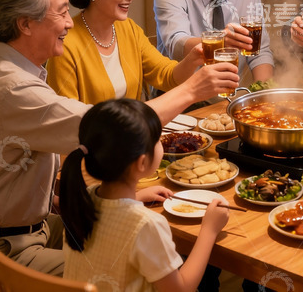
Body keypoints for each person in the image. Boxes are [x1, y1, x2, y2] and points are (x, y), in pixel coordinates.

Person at [0, 0, 237, 292]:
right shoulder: (11, 88)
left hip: (22, 229)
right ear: (25, 24)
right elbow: (110, 130)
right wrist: (193, 90)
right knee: (137, 271)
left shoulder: (0, 65)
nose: (69, 22)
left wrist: (124, 198)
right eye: (62, 12)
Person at [61, 98, 229, 291]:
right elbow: (181, 289)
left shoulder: (84, 197)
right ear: (142, 163)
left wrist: (136, 198)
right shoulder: (147, 225)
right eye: (158, 138)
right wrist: (209, 230)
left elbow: (114, 216)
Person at [46, 0, 237, 107]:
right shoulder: (66, 45)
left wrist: (194, 57)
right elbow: (65, 120)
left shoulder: (128, 28)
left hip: (135, 140)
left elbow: (166, 76)